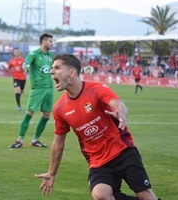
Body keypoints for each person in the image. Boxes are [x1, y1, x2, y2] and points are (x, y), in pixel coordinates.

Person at [35, 54, 160, 200]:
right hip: (98, 160)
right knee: (100, 195)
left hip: (122, 150)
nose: (51, 71)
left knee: (145, 195)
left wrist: (122, 113)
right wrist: (52, 173)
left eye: (57, 68)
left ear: (71, 72)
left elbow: (118, 104)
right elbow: (58, 143)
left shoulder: (96, 89)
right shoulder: (59, 108)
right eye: (51, 68)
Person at [8, 33, 54, 148]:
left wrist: (80, 69)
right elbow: (26, 63)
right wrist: (26, 67)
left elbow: (61, 66)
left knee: (46, 115)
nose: (51, 43)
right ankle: (20, 140)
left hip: (49, 89)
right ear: (43, 41)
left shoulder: (51, 56)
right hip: (38, 89)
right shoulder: (33, 54)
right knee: (29, 113)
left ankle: (35, 140)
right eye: (50, 41)